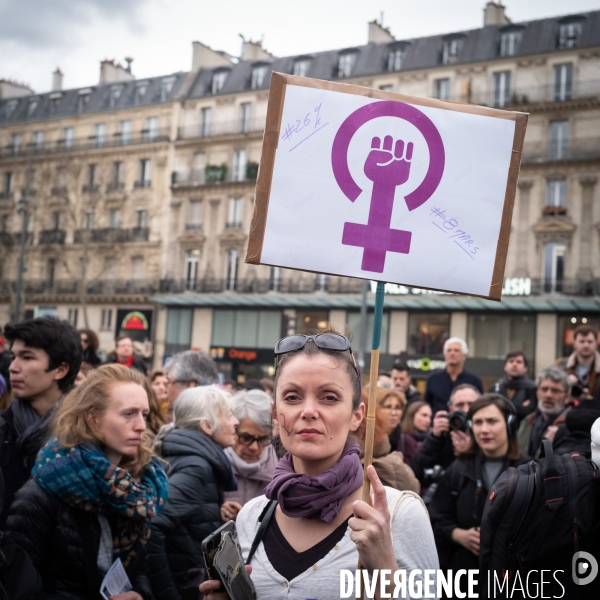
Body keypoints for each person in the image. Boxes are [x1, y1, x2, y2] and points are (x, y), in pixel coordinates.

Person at [201, 331, 439, 600]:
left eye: (329, 398)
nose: (309, 411)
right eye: (292, 397)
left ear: (357, 416)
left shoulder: (399, 515)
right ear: (275, 416)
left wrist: (385, 570)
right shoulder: (251, 517)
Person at [5, 364, 168, 600]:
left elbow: (138, 566)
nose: (142, 425)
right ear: (92, 418)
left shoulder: (135, 487)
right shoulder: (42, 492)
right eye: (129, 414)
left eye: (144, 414)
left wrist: (139, 594)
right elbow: (16, 586)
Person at [148, 386, 238, 600]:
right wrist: (167, 595)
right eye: (229, 415)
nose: (235, 422)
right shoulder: (196, 467)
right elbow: (152, 526)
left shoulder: (185, 455)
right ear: (207, 426)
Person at [428, 394, 529, 581]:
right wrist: (457, 534)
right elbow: (435, 517)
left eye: (492, 421)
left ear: (510, 424)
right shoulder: (457, 469)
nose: (484, 430)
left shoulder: (530, 472)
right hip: (466, 578)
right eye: (478, 422)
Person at [0, 317, 82, 528]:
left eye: (27, 357)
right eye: (13, 357)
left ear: (60, 370)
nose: (13, 367)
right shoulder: (3, 431)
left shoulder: (87, 435)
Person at [221, 389, 278, 522]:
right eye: (246, 438)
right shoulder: (213, 467)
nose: (254, 447)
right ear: (231, 429)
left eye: (263, 439)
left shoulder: (282, 472)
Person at [411, 383, 480, 484]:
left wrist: (469, 450)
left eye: (471, 404)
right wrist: (435, 438)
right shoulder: (444, 434)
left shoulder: (487, 433)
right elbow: (417, 471)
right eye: (460, 405)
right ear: (451, 409)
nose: (466, 410)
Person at [356, 388, 420, 493]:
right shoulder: (366, 442)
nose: (394, 412)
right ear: (376, 409)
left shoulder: (407, 441)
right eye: (388, 407)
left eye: (398, 408)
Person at [517, 366, 571, 458]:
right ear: (537, 392)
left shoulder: (570, 426)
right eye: (544, 389)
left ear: (567, 397)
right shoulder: (527, 421)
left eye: (555, 390)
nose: (548, 395)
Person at [424, 338, 483, 415]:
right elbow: (427, 405)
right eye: (449, 350)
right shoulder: (433, 379)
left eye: (456, 350)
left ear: (464, 356)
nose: (452, 353)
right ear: (445, 355)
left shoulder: (474, 381)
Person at [164, 350, 219, 417]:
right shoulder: (220, 418)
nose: (165, 390)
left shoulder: (190, 425)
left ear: (190, 386)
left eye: (168, 382)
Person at [562, 325, 600, 400]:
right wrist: (565, 381)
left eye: (590, 341)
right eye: (582, 341)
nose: (586, 345)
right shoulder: (562, 366)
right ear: (574, 343)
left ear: (596, 343)